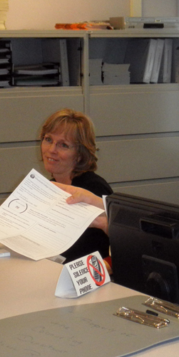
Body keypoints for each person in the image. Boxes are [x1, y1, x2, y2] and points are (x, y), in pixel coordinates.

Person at [39, 108, 112, 262]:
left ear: (79, 154)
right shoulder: (48, 186)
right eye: (48, 139)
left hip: (86, 278)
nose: (51, 150)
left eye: (63, 145)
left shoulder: (94, 189)